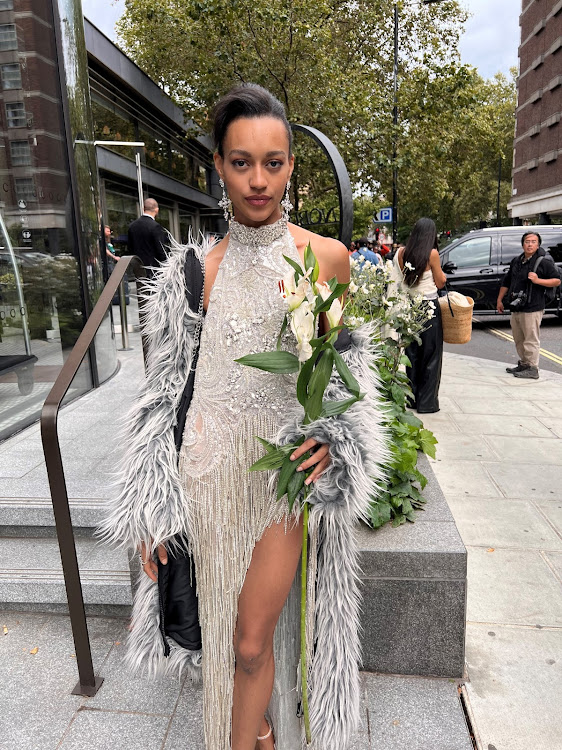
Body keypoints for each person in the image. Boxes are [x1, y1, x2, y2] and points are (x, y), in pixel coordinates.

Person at [98, 84, 387, 750]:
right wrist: (152, 506)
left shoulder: (326, 259)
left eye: (273, 162)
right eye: (240, 162)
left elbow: (344, 375)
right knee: (221, 640)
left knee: (252, 643)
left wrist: (336, 439)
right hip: (202, 478)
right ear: (220, 168)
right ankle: (256, 731)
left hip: (278, 479)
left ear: (291, 166)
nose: (258, 180)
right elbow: (163, 396)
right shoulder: (190, 272)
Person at [396, 218, 446, 413]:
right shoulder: (432, 254)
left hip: (410, 308)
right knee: (431, 356)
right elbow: (440, 282)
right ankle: (427, 403)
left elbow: (404, 277)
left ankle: (412, 399)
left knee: (412, 355)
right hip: (429, 307)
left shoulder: (402, 253)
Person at [497, 231, 560, 379]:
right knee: (519, 338)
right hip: (516, 306)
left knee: (530, 339)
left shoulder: (543, 261)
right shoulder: (517, 261)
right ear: (523, 244)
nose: (530, 244)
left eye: (533, 241)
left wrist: (538, 281)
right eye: (527, 241)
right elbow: (507, 281)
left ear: (538, 244)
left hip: (533, 307)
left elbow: (556, 280)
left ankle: (533, 368)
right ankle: (524, 364)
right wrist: (500, 300)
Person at [127, 198, 169, 277]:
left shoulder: (132, 226)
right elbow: (161, 250)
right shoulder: (155, 226)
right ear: (156, 210)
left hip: (138, 268)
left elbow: (130, 248)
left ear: (143, 209)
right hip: (154, 269)